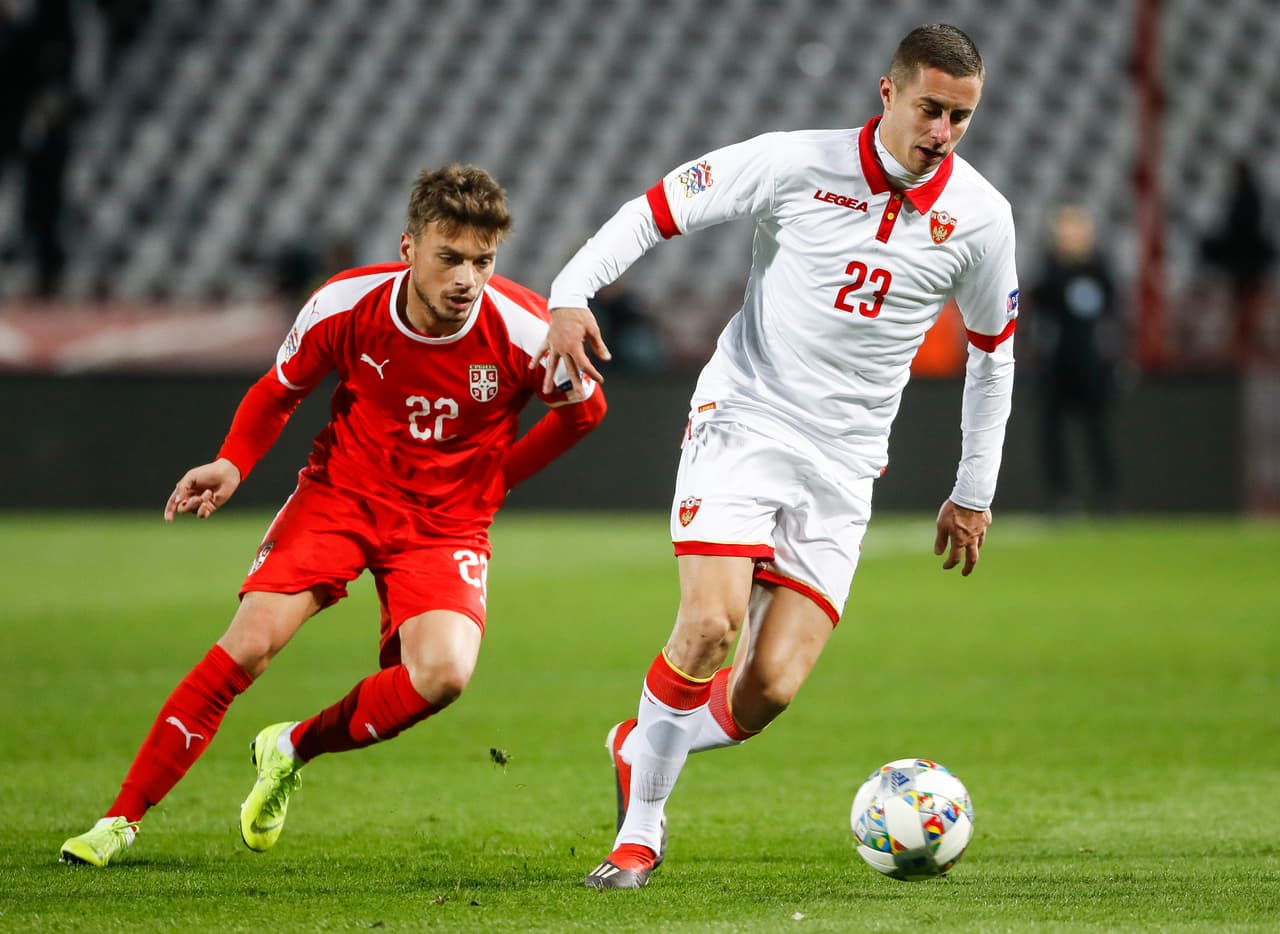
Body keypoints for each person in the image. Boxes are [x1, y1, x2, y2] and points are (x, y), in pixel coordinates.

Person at [539, 23, 1017, 889]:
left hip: (845, 464)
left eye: (960, 117)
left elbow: (994, 354)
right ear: (888, 93)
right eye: (929, 108)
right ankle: (639, 834)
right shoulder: (796, 162)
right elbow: (656, 210)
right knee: (711, 625)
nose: (941, 131)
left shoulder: (982, 219)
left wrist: (973, 490)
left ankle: (639, 743)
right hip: (747, 417)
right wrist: (568, 295)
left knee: (770, 689)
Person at [59, 164, 607, 867]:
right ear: (408, 248)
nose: (467, 278)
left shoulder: (529, 329)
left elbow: (584, 413)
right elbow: (278, 389)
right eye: (450, 257)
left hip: (444, 523)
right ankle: (120, 820)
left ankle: (292, 747)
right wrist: (232, 462)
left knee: (442, 676)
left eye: (483, 260)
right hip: (342, 494)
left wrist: (498, 479)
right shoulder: (345, 303)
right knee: (250, 643)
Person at [1030, 204, 1121, 514]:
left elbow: (1113, 321)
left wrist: (1116, 362)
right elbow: (1036, 324)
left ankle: (1107, 496)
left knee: (1098, 433)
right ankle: (1061, 497)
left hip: (1092, 366)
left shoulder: (1100, 273)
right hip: (1056, 368)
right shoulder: (1047, 275)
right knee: (1053, 435)